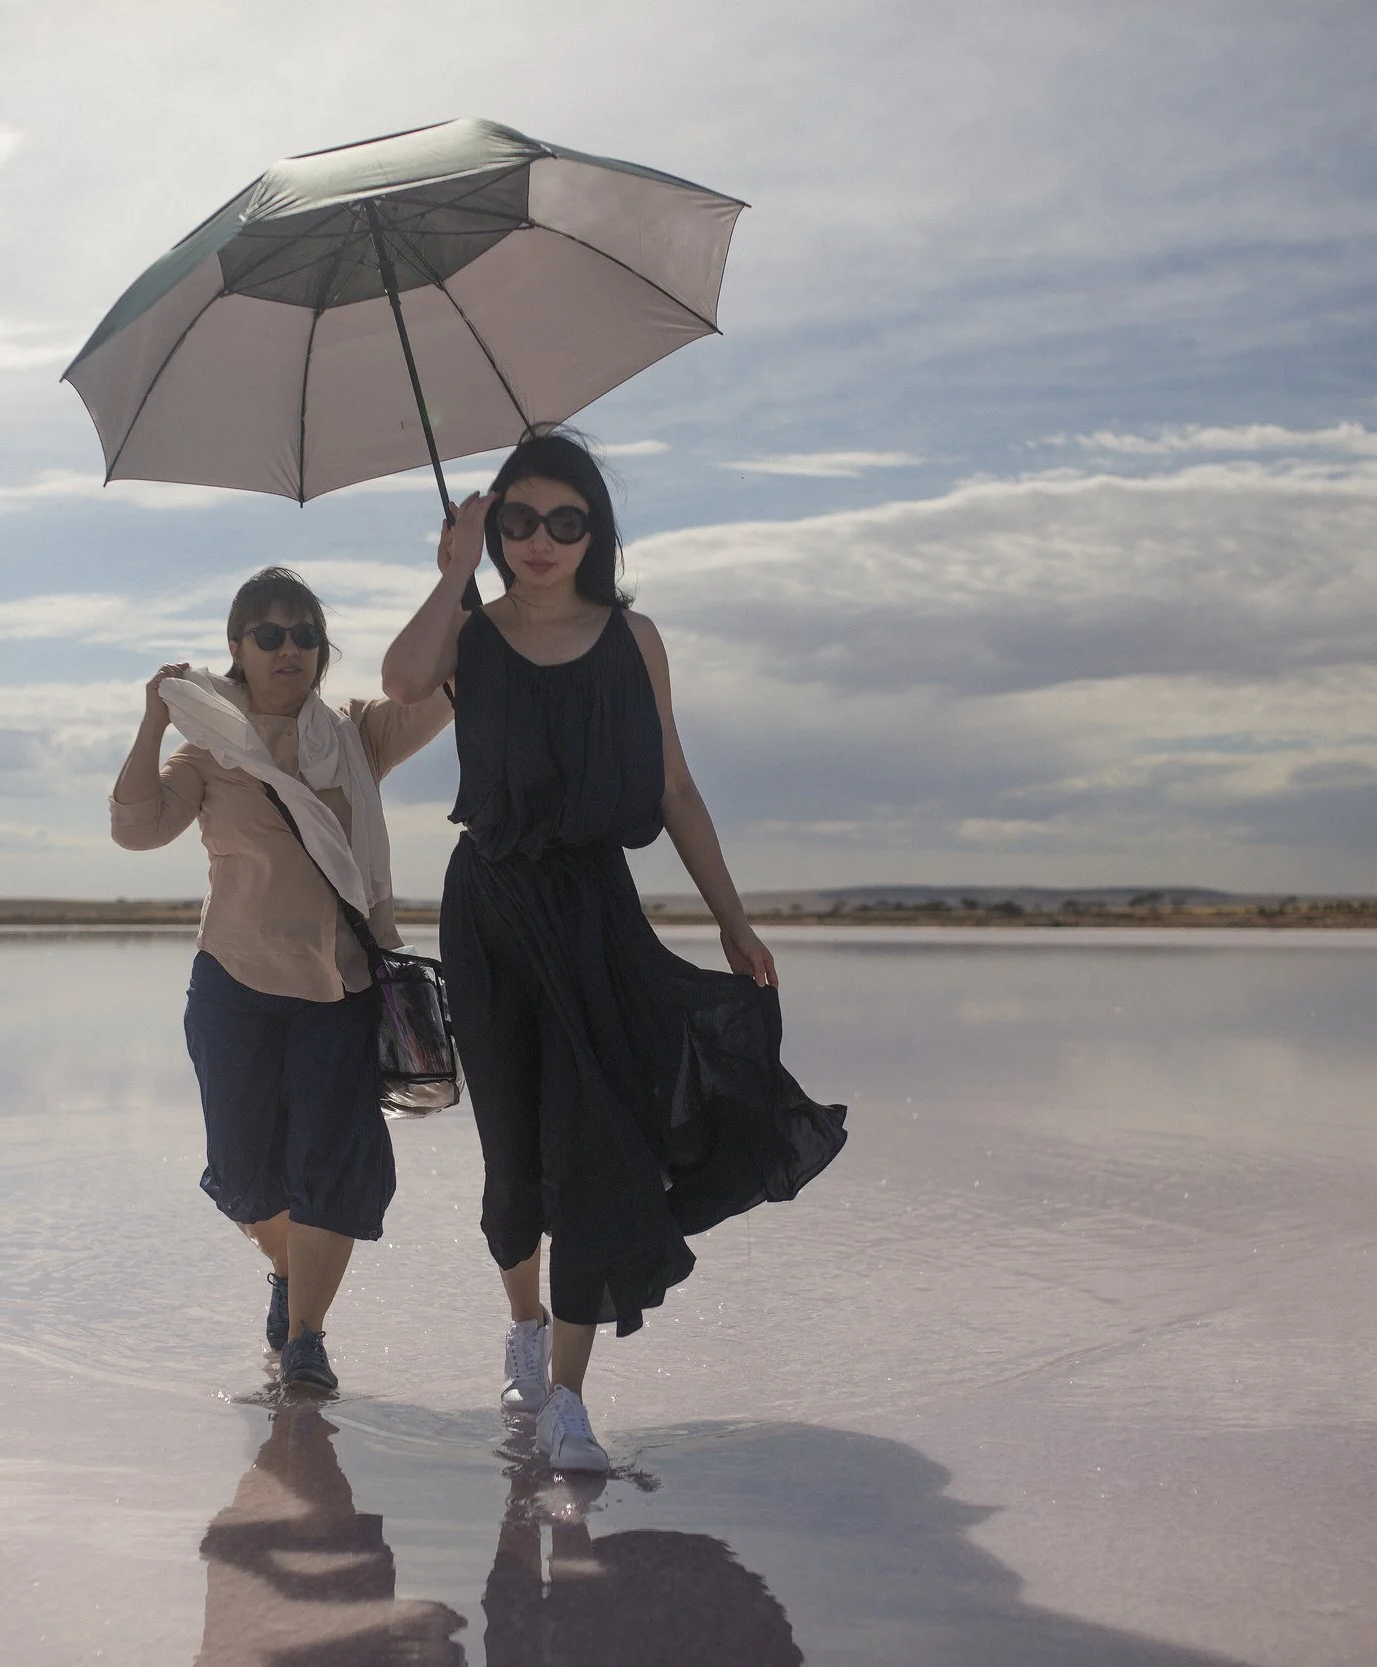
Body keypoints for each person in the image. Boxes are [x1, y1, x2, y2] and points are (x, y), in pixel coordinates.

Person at [382, 433, 847, 1472]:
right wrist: (452, 567)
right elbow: (401, 679)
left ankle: (567, 1400)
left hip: (593, 905)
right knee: (514, 1159)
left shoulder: (632, 636)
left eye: (565, 520)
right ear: (492, 528)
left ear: (596, 529)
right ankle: (525, 1323)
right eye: (518, 521)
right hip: (491, 909)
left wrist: (731, 915)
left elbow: (673, 785)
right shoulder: (471, 633)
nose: (540, 540)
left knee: (594, 1141)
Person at [112, 566, 452, 1393]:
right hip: (233, 983)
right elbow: (136, 826)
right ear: (236, 649)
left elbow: (451, 684)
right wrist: (154, 721)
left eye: (305, 634)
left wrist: (461, 573)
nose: (289, 648)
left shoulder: (358, 735)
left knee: (331, 1167)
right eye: (269, 634)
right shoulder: (210, 748)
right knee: (243, 1174)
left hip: (339, 986)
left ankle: (307, 1338)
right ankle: (289, 1278)